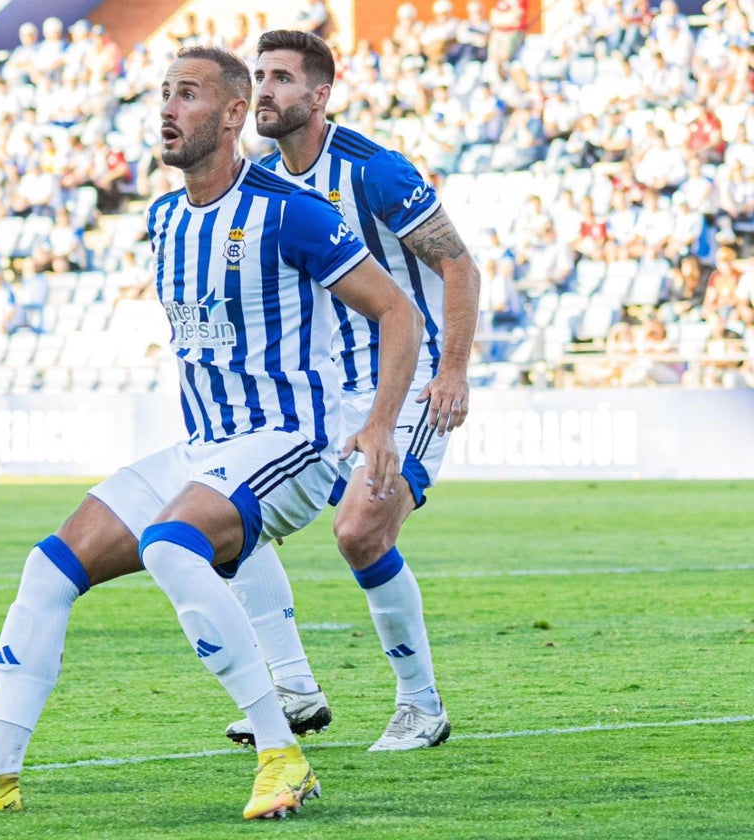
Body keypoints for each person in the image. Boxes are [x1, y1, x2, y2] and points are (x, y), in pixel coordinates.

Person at [0, 45, 422, 820]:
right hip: (205, 447)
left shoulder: (293, 213)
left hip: (291, 441)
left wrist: (379, 424)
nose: (168, 110)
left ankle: (283, 754)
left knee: (171, 543)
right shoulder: (165, 217)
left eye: (188, 96)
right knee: (48, 570)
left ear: (234, 114)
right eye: (163, 94)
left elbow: (398, 311)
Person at [220, 29, 480, 752]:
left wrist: (452, 370)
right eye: (259, 76)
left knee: (360, 530)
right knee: (222, 518)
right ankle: (295, 689)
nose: (264, 91)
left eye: (279, 78)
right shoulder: (259, 182)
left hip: (407, 383)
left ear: (320, 94)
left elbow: (459, 267)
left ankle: (421, 707)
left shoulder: (376, 172)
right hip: (319, 396)